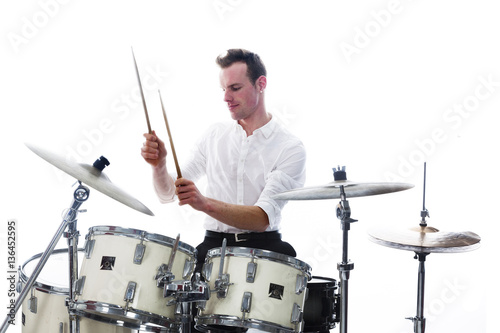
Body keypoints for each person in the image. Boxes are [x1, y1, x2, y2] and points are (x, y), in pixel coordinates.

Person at [140, 48, 306, 272]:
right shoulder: (214, 136)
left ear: (261, 84)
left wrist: (204, 203)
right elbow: (168, 194)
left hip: (265, 249)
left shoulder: (290, 147)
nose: (226, 98)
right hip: (213, 248)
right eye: (224, 89)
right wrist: (159, 165)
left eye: (235, 88)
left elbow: (262, 218)